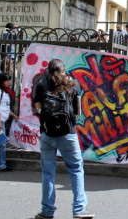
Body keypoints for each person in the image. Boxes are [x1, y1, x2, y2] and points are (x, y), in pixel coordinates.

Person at [33, 59, 94, 219]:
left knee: (48, 173)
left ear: (49, 70)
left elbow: (38, 109)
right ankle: (79, 210)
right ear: (63, 70)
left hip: (47, 134)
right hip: (68, 134)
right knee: (76, 170)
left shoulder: (41, 84)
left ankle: (47, 211)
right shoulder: (72, 85)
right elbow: (77, 112)